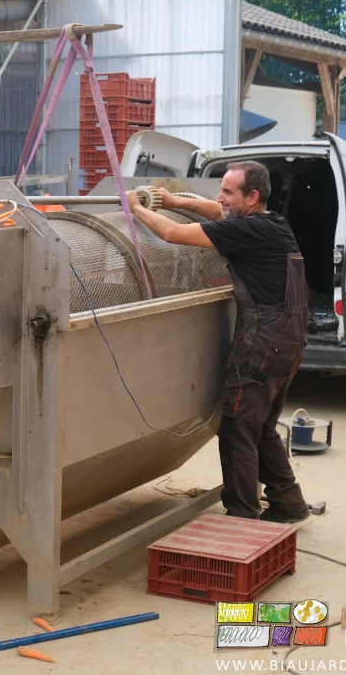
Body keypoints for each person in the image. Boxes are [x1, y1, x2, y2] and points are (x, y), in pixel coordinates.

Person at [125, 161, 309, 523]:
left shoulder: (248, 231)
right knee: (262, 427)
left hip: (262, 346)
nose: (220, 198)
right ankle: (289, 503)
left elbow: (173, 236)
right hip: (288, 344)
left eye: (228, 191)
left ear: (252, 197)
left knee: (237, 428)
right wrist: (175, 200)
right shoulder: (271, 222)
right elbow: (218, 212)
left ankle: (241, 518)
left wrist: (136, 209)